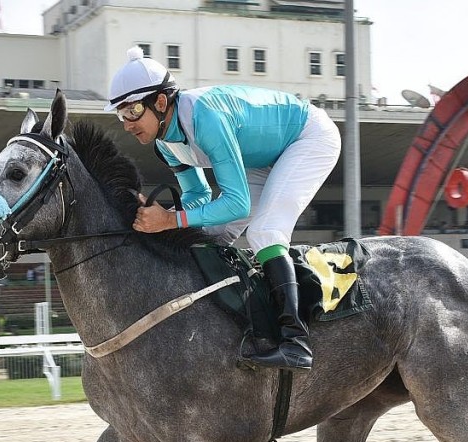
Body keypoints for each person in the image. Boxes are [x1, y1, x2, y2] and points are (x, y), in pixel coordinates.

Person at [103, 47, 342, 371]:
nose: (127, 124)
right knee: (212, 233)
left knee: (265, 231)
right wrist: (162, 217)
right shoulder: (164, 143)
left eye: (132, 111)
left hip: (308, 137)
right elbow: (199, 196)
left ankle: (296, 342)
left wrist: (171, 219)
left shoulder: (206, 119)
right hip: (264, 156)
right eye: (121, 114)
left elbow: (236, 202)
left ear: (160, 102)